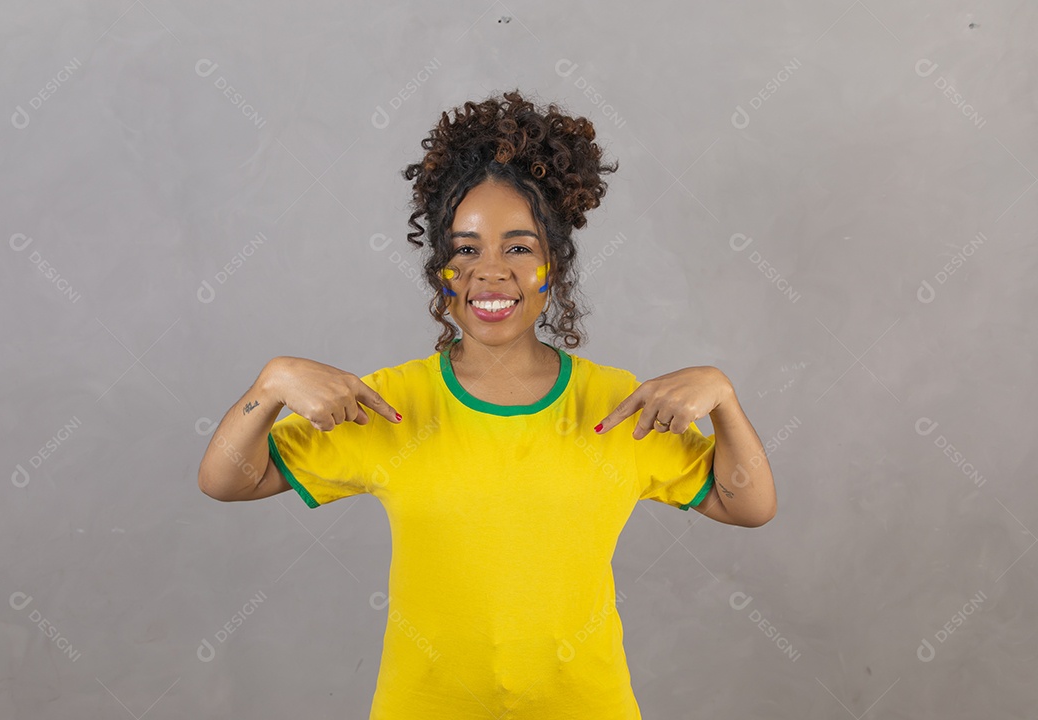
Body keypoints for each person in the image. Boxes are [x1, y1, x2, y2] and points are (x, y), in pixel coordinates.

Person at [198, 89, 777, 719]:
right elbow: (231, 479)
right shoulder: (388, 405)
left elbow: (744, 503)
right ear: (440, 268)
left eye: (519, 248)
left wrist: (723, 399)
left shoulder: (616, 404)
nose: (491, 271)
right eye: (466, 248)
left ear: (553, 265)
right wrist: (271, 386)